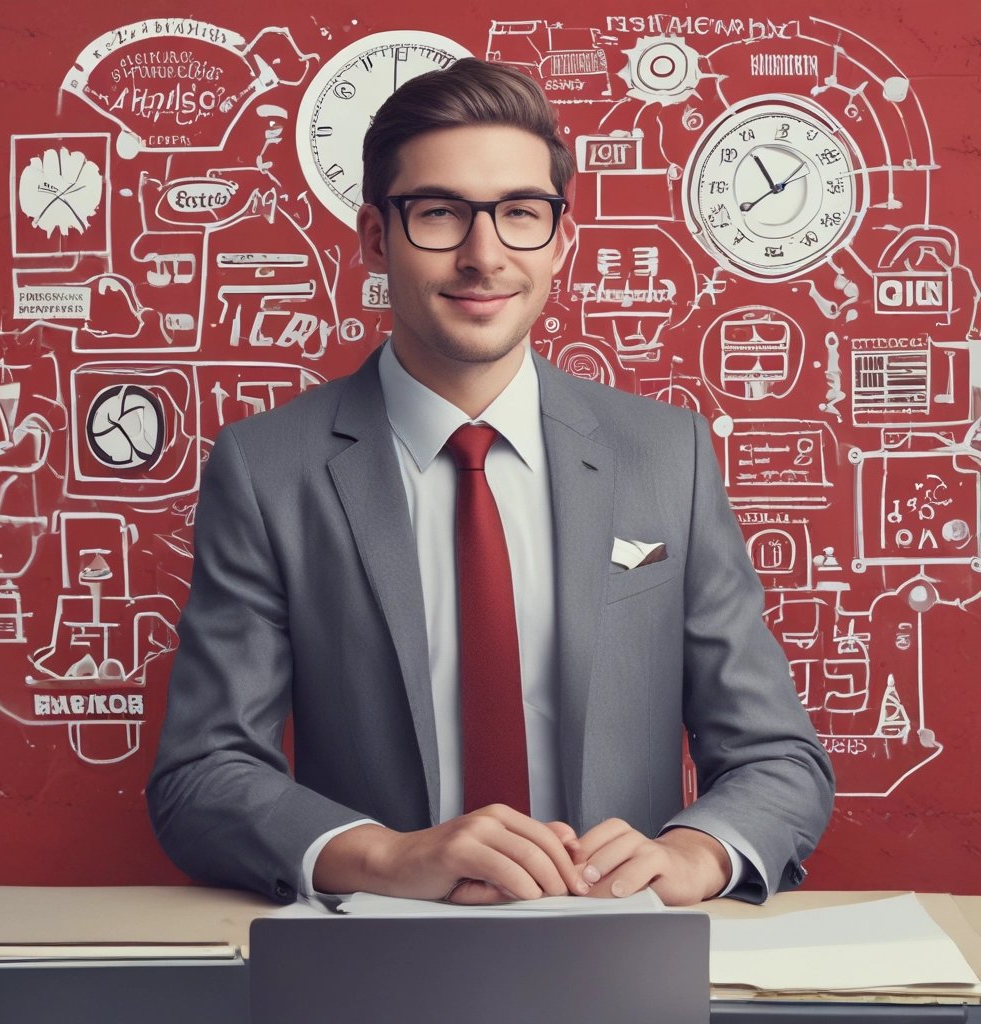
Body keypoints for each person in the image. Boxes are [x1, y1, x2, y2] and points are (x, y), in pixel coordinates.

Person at [147, 58, 834, 908]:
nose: (484, 255)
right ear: (373, 237)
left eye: (520, 214)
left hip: (623, 953)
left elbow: (777, 756)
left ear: (561, 242)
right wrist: (385, 858)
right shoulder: (267, 468)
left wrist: (697, 853)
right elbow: (202, 775)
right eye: (439, 213)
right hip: (384, 955)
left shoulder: (669, 455)